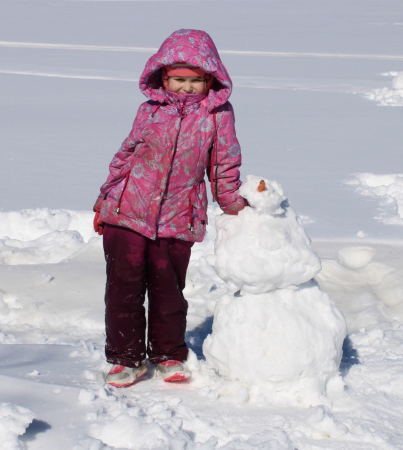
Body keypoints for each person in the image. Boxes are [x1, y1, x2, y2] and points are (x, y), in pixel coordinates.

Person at [92, 29, 246, 388]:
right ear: (164, 77)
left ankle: (168, 355)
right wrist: (104, 200)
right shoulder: (149, 110)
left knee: (168, 290)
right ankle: (125, 359)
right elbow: (126, 155)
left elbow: (224, 162)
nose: (186, 88)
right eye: (178, 79)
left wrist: (232, 203)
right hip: (127, 211)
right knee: (123, 289)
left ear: (211, 79)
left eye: (195, 81)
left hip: (179, 217)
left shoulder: (217, 115)